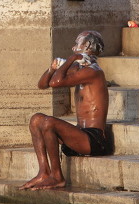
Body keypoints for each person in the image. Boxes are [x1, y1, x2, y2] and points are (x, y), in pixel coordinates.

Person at [19, 30, 110, 190]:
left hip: (94, 140)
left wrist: (71, 59)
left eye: (77, 44)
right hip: (79, 135)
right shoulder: (78, 69)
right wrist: (52, 68)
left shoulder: (93, 71)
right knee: (36, 120)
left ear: (87, 46)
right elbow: (43, 84)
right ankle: (43, 172)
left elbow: (56, 83)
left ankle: (57, 177)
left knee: (48, 122)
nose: (73, 47)